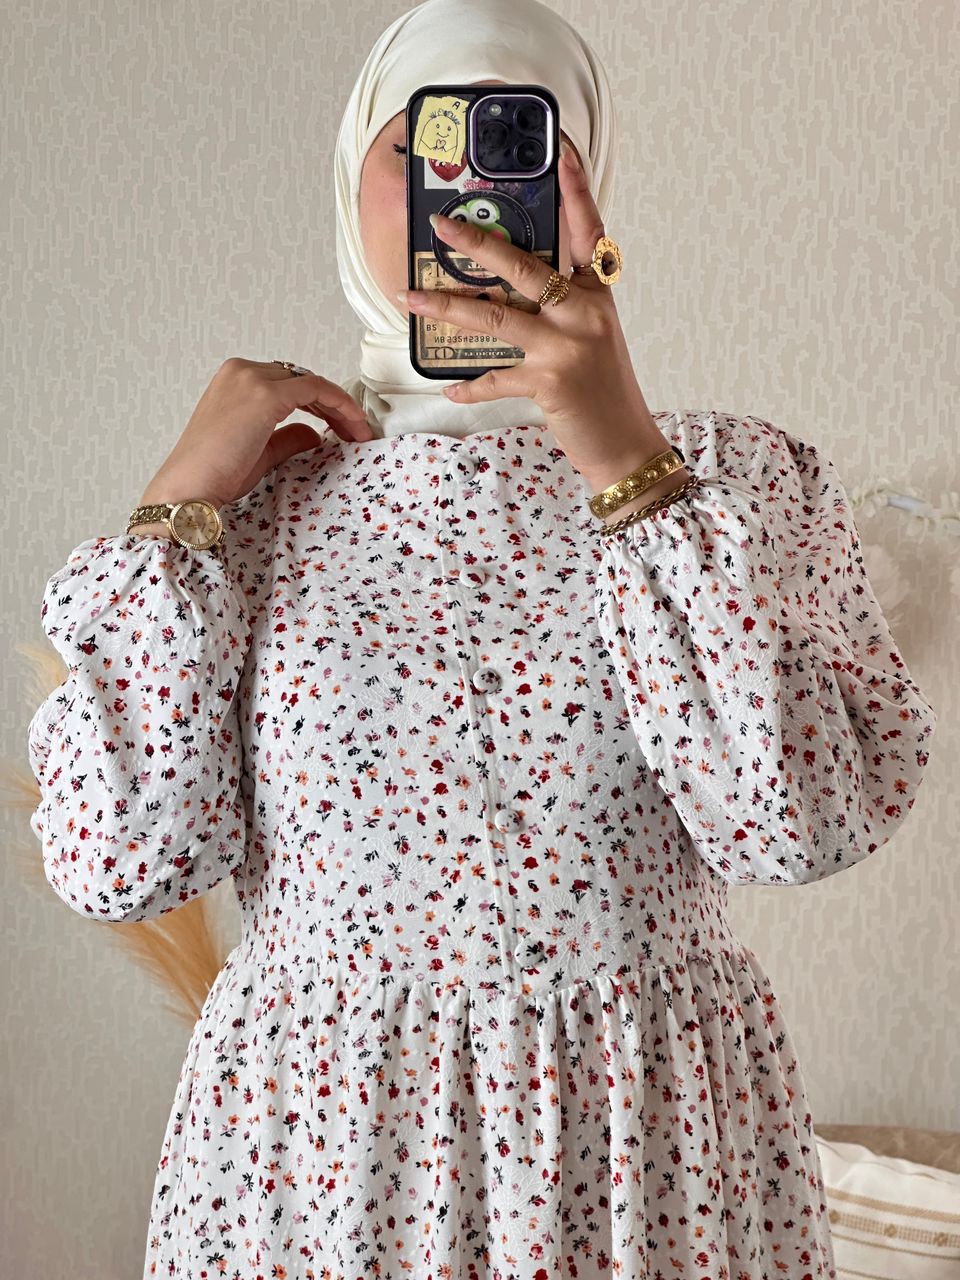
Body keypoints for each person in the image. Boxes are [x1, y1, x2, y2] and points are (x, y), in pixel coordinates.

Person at [25, 1, 939, 1277]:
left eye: (518, 144)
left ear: (587, 188)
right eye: (420, 148)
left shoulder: (731, 482)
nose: (466, 202)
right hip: (327, 1162)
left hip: (644, 1157)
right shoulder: (252, 510)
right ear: (347, 169)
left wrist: (627, 460)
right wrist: (176, 510)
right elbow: (119, 861)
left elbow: (799, 824)